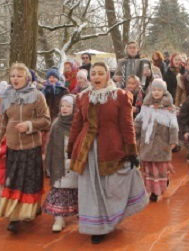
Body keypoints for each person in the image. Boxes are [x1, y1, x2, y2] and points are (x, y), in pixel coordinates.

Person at [67, 62, 148, 244]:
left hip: (111, 148)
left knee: (111, 187)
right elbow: (77, 124)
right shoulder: (83, 97)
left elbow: (127, 125)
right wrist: (71, 147)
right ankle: (97, 227)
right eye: (93, 73)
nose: (96, 77)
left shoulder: (119, 96)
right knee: (91, 189)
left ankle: (111, 218)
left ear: (107, 76)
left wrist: (131, 151)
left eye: (100, 73)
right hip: (87, 150)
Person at [0, 63, 51, 233]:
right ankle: (14, 217)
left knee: (30, 180)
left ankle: (32, 207)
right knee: (14, 181)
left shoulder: (37, 96)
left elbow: (46, 120)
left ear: (27, 78)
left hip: (31, 147)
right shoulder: (6, 96)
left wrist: (30, 125)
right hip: (12, 147)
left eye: (19, 76)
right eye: (13, 76)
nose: (15, 79)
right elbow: (2, 124)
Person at [134, 79, 178, 202]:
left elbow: (173, 125)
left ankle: (162, 185)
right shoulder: (146, 106)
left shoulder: (169, 108)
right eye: (154, 90)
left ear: (164, 91)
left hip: (161, 143)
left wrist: (173, 140)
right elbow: (138, 122)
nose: (156, 92)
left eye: (159, 90)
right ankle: (153, 191)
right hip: (147, 143)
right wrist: (134, 133)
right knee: (149, 169)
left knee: (160, 168)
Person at [43, 95, 79, 232]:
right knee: (60, 191)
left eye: (68, 106)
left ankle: (81, 214)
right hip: (60, 165)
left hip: (75, 164)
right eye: (63, 106)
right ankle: (59, 218)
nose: (64, 108)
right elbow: (50, 145)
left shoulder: (78, 124)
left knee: (77, 190)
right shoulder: (56, 124)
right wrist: (49, 163)